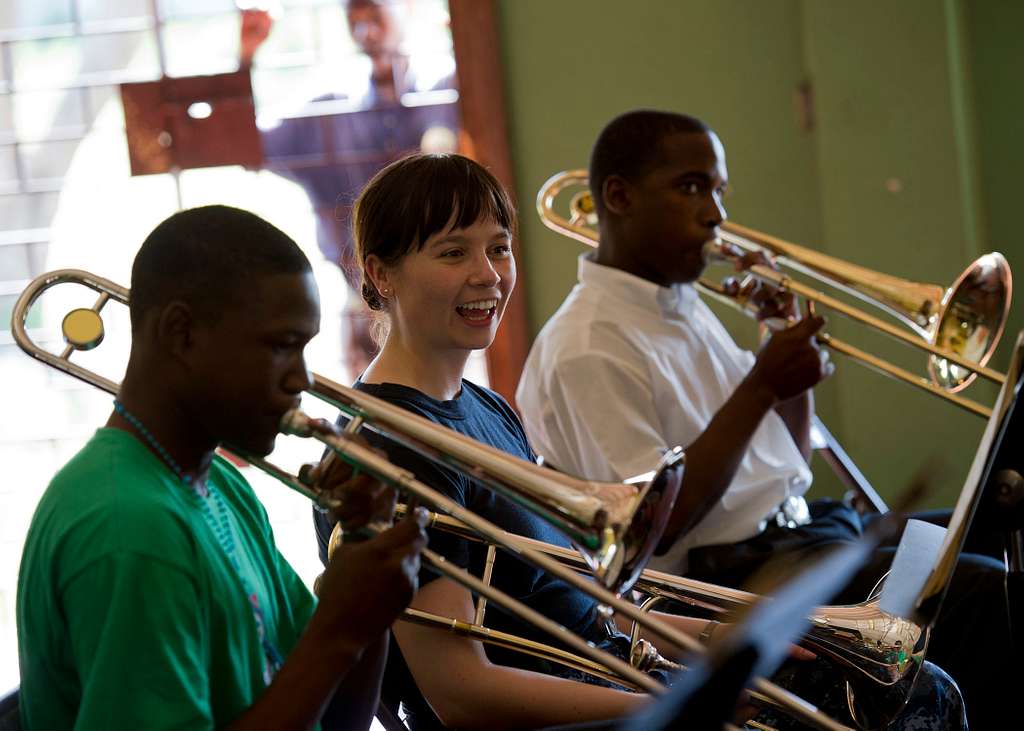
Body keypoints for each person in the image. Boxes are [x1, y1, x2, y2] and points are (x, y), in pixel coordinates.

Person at [311, 153, 965, 730]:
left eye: (499, 247)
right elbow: (461, 695)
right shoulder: (390, 451)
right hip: (590, 709)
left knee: (907, 682)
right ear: (382, 274)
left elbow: (586, 607)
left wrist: (734, 639)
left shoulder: (483, 408)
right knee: (902, 704)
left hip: (615, 679)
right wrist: (673, 699)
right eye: (454, 252)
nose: (488, 274)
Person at [515, 108, 1012, 727]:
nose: (716, 216)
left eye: (718, 190)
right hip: (736, 582)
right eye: (692, 187)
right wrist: (760, 383)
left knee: (994, 524)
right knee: (987, 597)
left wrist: (781, 354)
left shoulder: (680, 301)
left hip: (802, 534)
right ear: (618, 197)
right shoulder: (585, 346)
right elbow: (655, 529)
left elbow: (786, 463)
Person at [16, 205, 427, 730]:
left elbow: (339, 719)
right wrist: (339, 630)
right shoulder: (129, 526)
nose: (301, 380)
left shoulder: (223, 485)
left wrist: (366, 566)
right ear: (182, 333)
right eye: (282, 346)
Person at [240, 0, 460, 378]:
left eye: (374, 16)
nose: (366, 34)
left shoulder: (444, 96)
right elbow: (242, 145)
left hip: (449, 301)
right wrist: (246, 57)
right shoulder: (327, 115)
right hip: (362, 310)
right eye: (353, 21)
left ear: (405, 9)